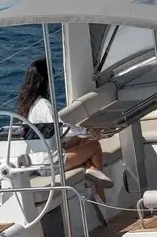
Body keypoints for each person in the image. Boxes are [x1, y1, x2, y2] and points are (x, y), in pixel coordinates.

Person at [16, 58, 112, 189]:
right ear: (45, 81)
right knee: (94, 146)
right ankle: (100, 193)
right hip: (50, 164)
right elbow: (61, 129)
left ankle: (91, 168)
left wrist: (81, 135)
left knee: (79, 140)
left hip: (36, 161)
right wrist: (87, 131)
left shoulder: (27, 104)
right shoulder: (43, 105)